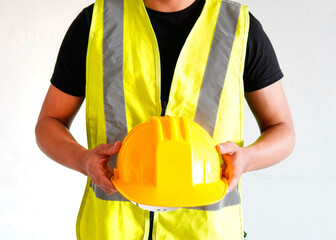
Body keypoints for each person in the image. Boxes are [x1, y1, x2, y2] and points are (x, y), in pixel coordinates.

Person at [35, 0, 295, 239]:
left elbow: (282, 130)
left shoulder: (237, 27)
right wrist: (83, 160)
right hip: (114, 231)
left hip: (205, 233)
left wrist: (248, 158)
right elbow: (49, 122)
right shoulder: (96, 24)